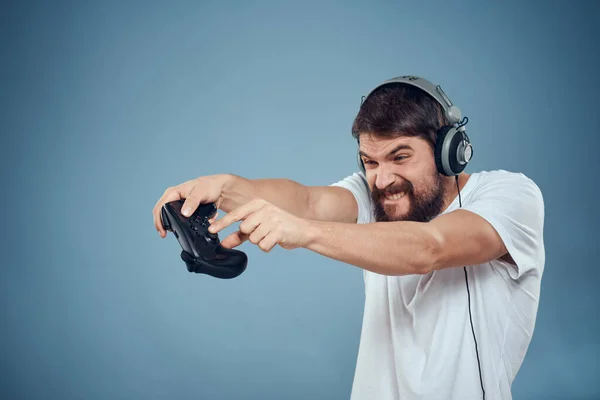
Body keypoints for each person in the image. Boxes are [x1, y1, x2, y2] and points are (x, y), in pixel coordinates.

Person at [152, 76, 545, 400]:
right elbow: (306, 200)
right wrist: (221, 187)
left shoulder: (510, 197)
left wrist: (303, 232)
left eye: (400, 157)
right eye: (370, 161)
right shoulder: (379, 196)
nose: (383, 178)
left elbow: (431, 247)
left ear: (449, 151)